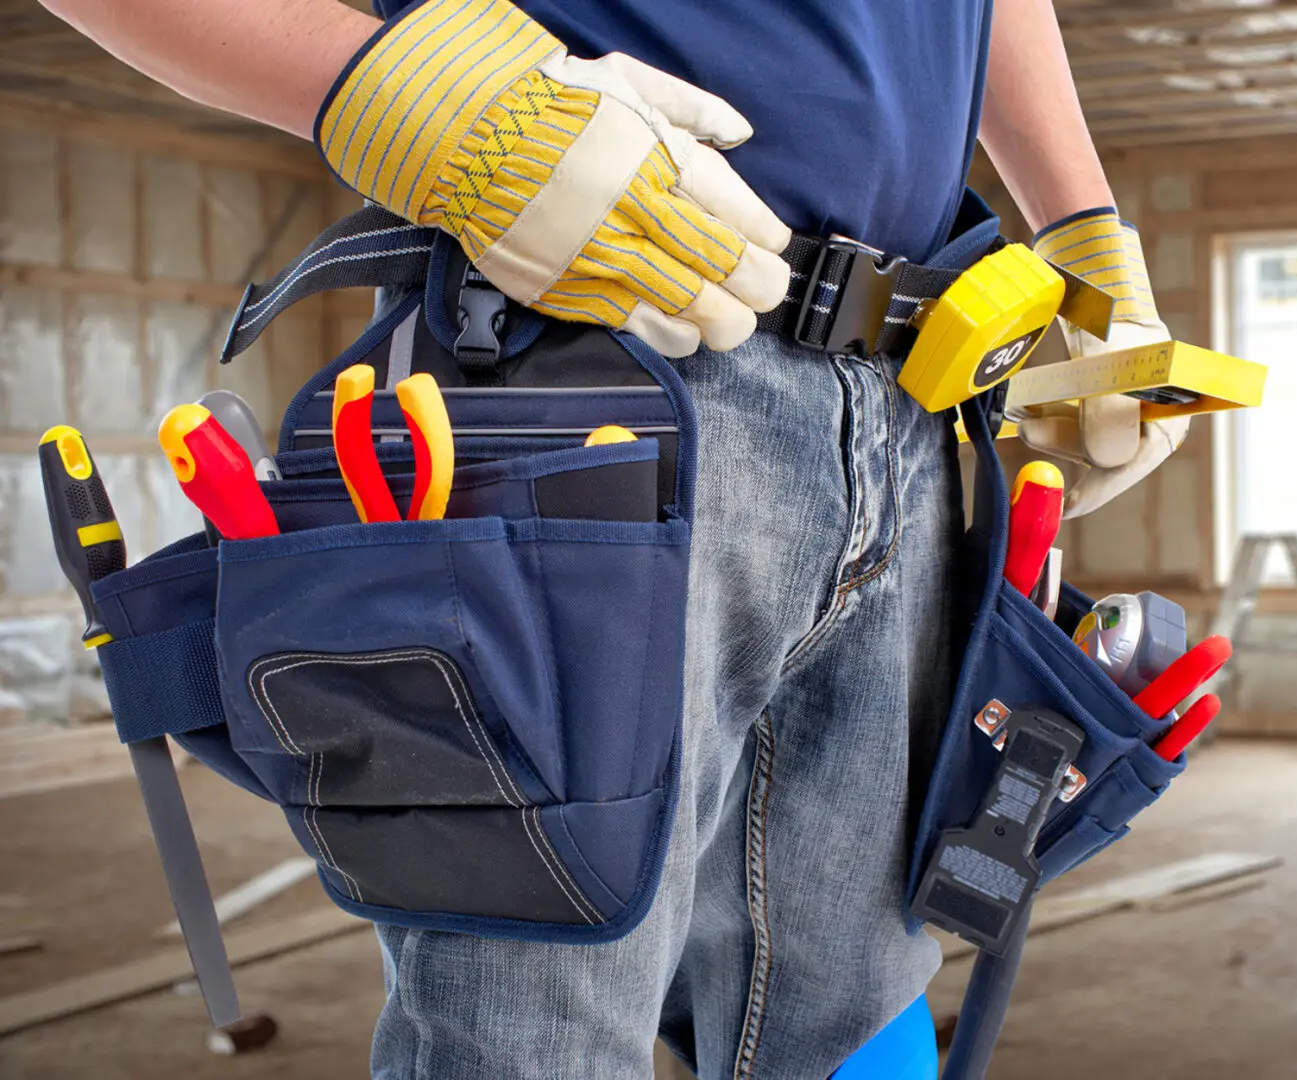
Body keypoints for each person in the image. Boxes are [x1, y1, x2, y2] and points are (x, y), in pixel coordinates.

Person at [38, 0, 1184, 1074]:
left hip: (915, 388)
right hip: (588, 357)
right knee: (538, 1020)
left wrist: (1081, 225)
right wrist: (380, 85)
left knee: (864, 1011)